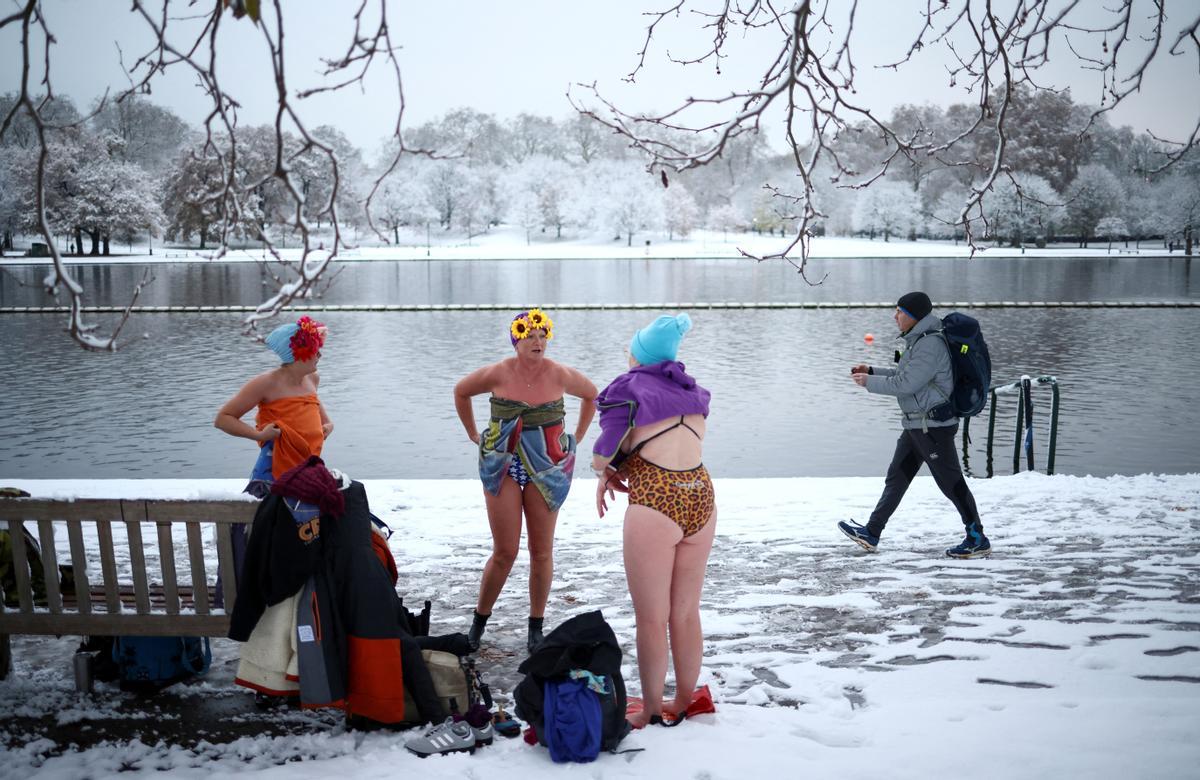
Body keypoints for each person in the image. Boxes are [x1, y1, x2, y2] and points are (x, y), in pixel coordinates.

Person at [592, 313, 715, 729]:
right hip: (700, 494)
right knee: (686, 611)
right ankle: (683, 699)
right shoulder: (692, 391)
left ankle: (648, 708)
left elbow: (601, 454)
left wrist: (605, 473)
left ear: (637, 354)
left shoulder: (627, 389)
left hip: (656, 500)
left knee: (651, 617)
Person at [454, 309, 597, 654]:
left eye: (542, 335)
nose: (537, 341)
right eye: (529, 335)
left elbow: (593, 395)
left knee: (541, 551)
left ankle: (536, 627)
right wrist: (474, 432)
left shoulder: (559, 374)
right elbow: (460, 391)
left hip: (547, 468)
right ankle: (479, 621)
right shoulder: (497, 373)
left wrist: (576, 435)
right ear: (516, 339)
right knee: (505, 551)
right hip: (502, 465)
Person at [841, 291, 990, 558]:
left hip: (932, 426)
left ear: (913, 316)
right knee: (896, 478)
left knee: (951, 483)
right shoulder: (918, 341)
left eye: (900, 311)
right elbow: (904, 375)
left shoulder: (930, 345)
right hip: (917, 425)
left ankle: (977, 537)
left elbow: (906, 385)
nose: (895, 316)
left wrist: (868, 384)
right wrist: (872, 371)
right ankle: (872, 532)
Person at [214, 316, 334, 496]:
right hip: (275, 470)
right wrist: (259, 434)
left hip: (309, 466)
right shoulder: (266, 383)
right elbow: (223, 419)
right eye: (315, 350)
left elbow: (315, 407)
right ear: (298, 353)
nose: (320, 355)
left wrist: (327, 425)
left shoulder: (312, 379)